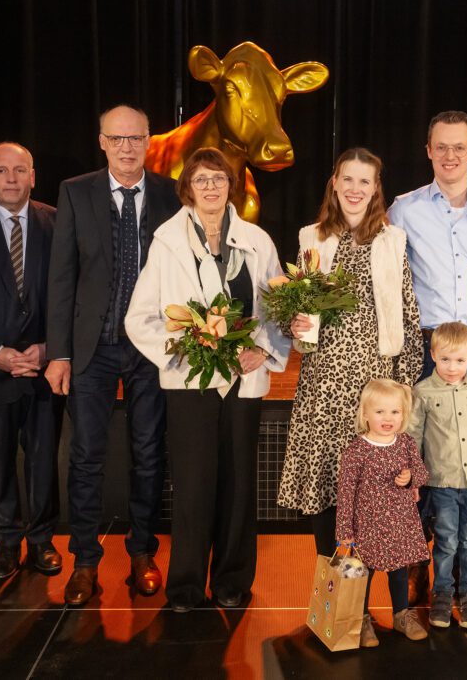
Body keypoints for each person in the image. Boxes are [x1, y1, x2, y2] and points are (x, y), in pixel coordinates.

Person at [126, 147, 290, 613]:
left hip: (245, 381)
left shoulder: (257, 240)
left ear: (231, 185)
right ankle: (185, 586)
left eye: (219, 179)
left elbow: (277, 306)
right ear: (188, 188)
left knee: (240, 485)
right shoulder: (166, 242)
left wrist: (267, 350)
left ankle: (232, 581)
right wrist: (183, 354)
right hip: (191, 383)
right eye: (202, 180)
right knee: (194, 485)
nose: (212, 188)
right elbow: (139, 319)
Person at [45, 105, 181, 605]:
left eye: (136, 139)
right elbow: (61, 278)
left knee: (149, 453)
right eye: (116, 139)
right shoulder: (75, 192)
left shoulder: (171, 193)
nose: (127, 147)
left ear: (149, 142)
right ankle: (84, 561)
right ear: (101, 142)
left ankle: (142, 553)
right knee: (86, 456)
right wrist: (59, 352)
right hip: (92, 348)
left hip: (152, 348)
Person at [277, 147, 423, 560]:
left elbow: (408, 314)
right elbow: (301, 311)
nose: (355, 188)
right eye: (348, 179)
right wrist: (297, 327)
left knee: (370, 491)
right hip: (324, 383)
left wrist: (404, 386)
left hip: (373, 386)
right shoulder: (313, 237)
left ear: (376, 189)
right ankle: (331, 602)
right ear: (335, 183)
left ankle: (359, 609)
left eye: (365, 180)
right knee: (326, 487)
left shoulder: (392, 241)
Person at [388, 110, 467, 601]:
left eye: (460, 147)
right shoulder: (404, 208)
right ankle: (421, 564)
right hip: (425, 346)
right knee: (422, 456)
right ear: (429, 151)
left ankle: (466, 574)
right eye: (442, 147)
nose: (451, 155)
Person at [0, 142, 64, 580]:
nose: (10, 178)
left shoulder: (58, 222)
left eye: (19, 169)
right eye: (1, 170)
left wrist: (49, 347)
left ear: (33, 175)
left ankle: (42, 541)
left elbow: (69, 294)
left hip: (44, 368)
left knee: (43, 459)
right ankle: (5, 543)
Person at [406, 322, 467, 630]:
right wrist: (415, 476)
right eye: (444, 359)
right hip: (442, 483)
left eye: (459, 360)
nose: (451, 367)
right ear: (432, 355)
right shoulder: (423, 392)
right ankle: (442, 594)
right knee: (445, 541)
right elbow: (414, 436)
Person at [336, 379, 430, 645]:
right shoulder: (356, 451)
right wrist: (344, 530)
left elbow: (422, 473)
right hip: (368, 526)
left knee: (399, 572)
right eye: (380, 412)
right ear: (365, 414)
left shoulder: (406, 444)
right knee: (363, 574)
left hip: (400, 523)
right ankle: (362, 619)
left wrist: (411, 477)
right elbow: (345, 493)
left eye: (395, 412)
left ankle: (401, 615)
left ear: (404, 415)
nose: (388, 418)